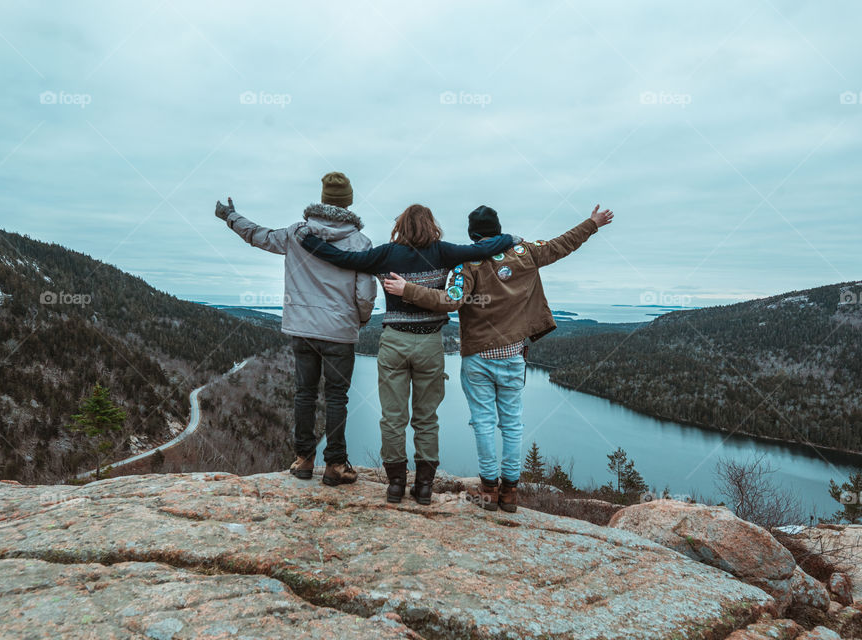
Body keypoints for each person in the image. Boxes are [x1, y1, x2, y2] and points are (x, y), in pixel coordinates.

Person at [383, 204, 614, 512]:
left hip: (478, 357)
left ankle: (489, 489)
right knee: (513, 424)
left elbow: (449, 301)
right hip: (513, 356)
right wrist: (592, 223)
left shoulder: (466, 263)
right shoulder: (526, 253)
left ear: (472, 233)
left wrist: (407, 290)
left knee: (483, 422)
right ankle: (510, 492)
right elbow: (563, 244)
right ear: (498, 228)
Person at [299, 204, 518, 505]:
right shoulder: (444, 252)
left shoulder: (386, 254)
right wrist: (509, 239)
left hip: (394, 344)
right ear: (432, 225)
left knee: (392, 418)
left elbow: (343, 258)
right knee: (426, 418)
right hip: (430, 344)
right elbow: (482, 249)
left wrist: (309, 241)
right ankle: (424, 487)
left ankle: (395, 486)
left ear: (400, 226)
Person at [214, 172, 376, 487]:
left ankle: (303, 460)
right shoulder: (360, 242)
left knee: (304, 394)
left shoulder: (296, 233)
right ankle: (336, 465)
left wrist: (230, 217)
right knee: (337, 396)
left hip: (302, 330)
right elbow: (365, 292)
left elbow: (258, 235)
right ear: (348, 202)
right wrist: (361, 319)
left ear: (323, 199)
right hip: (340, 333)